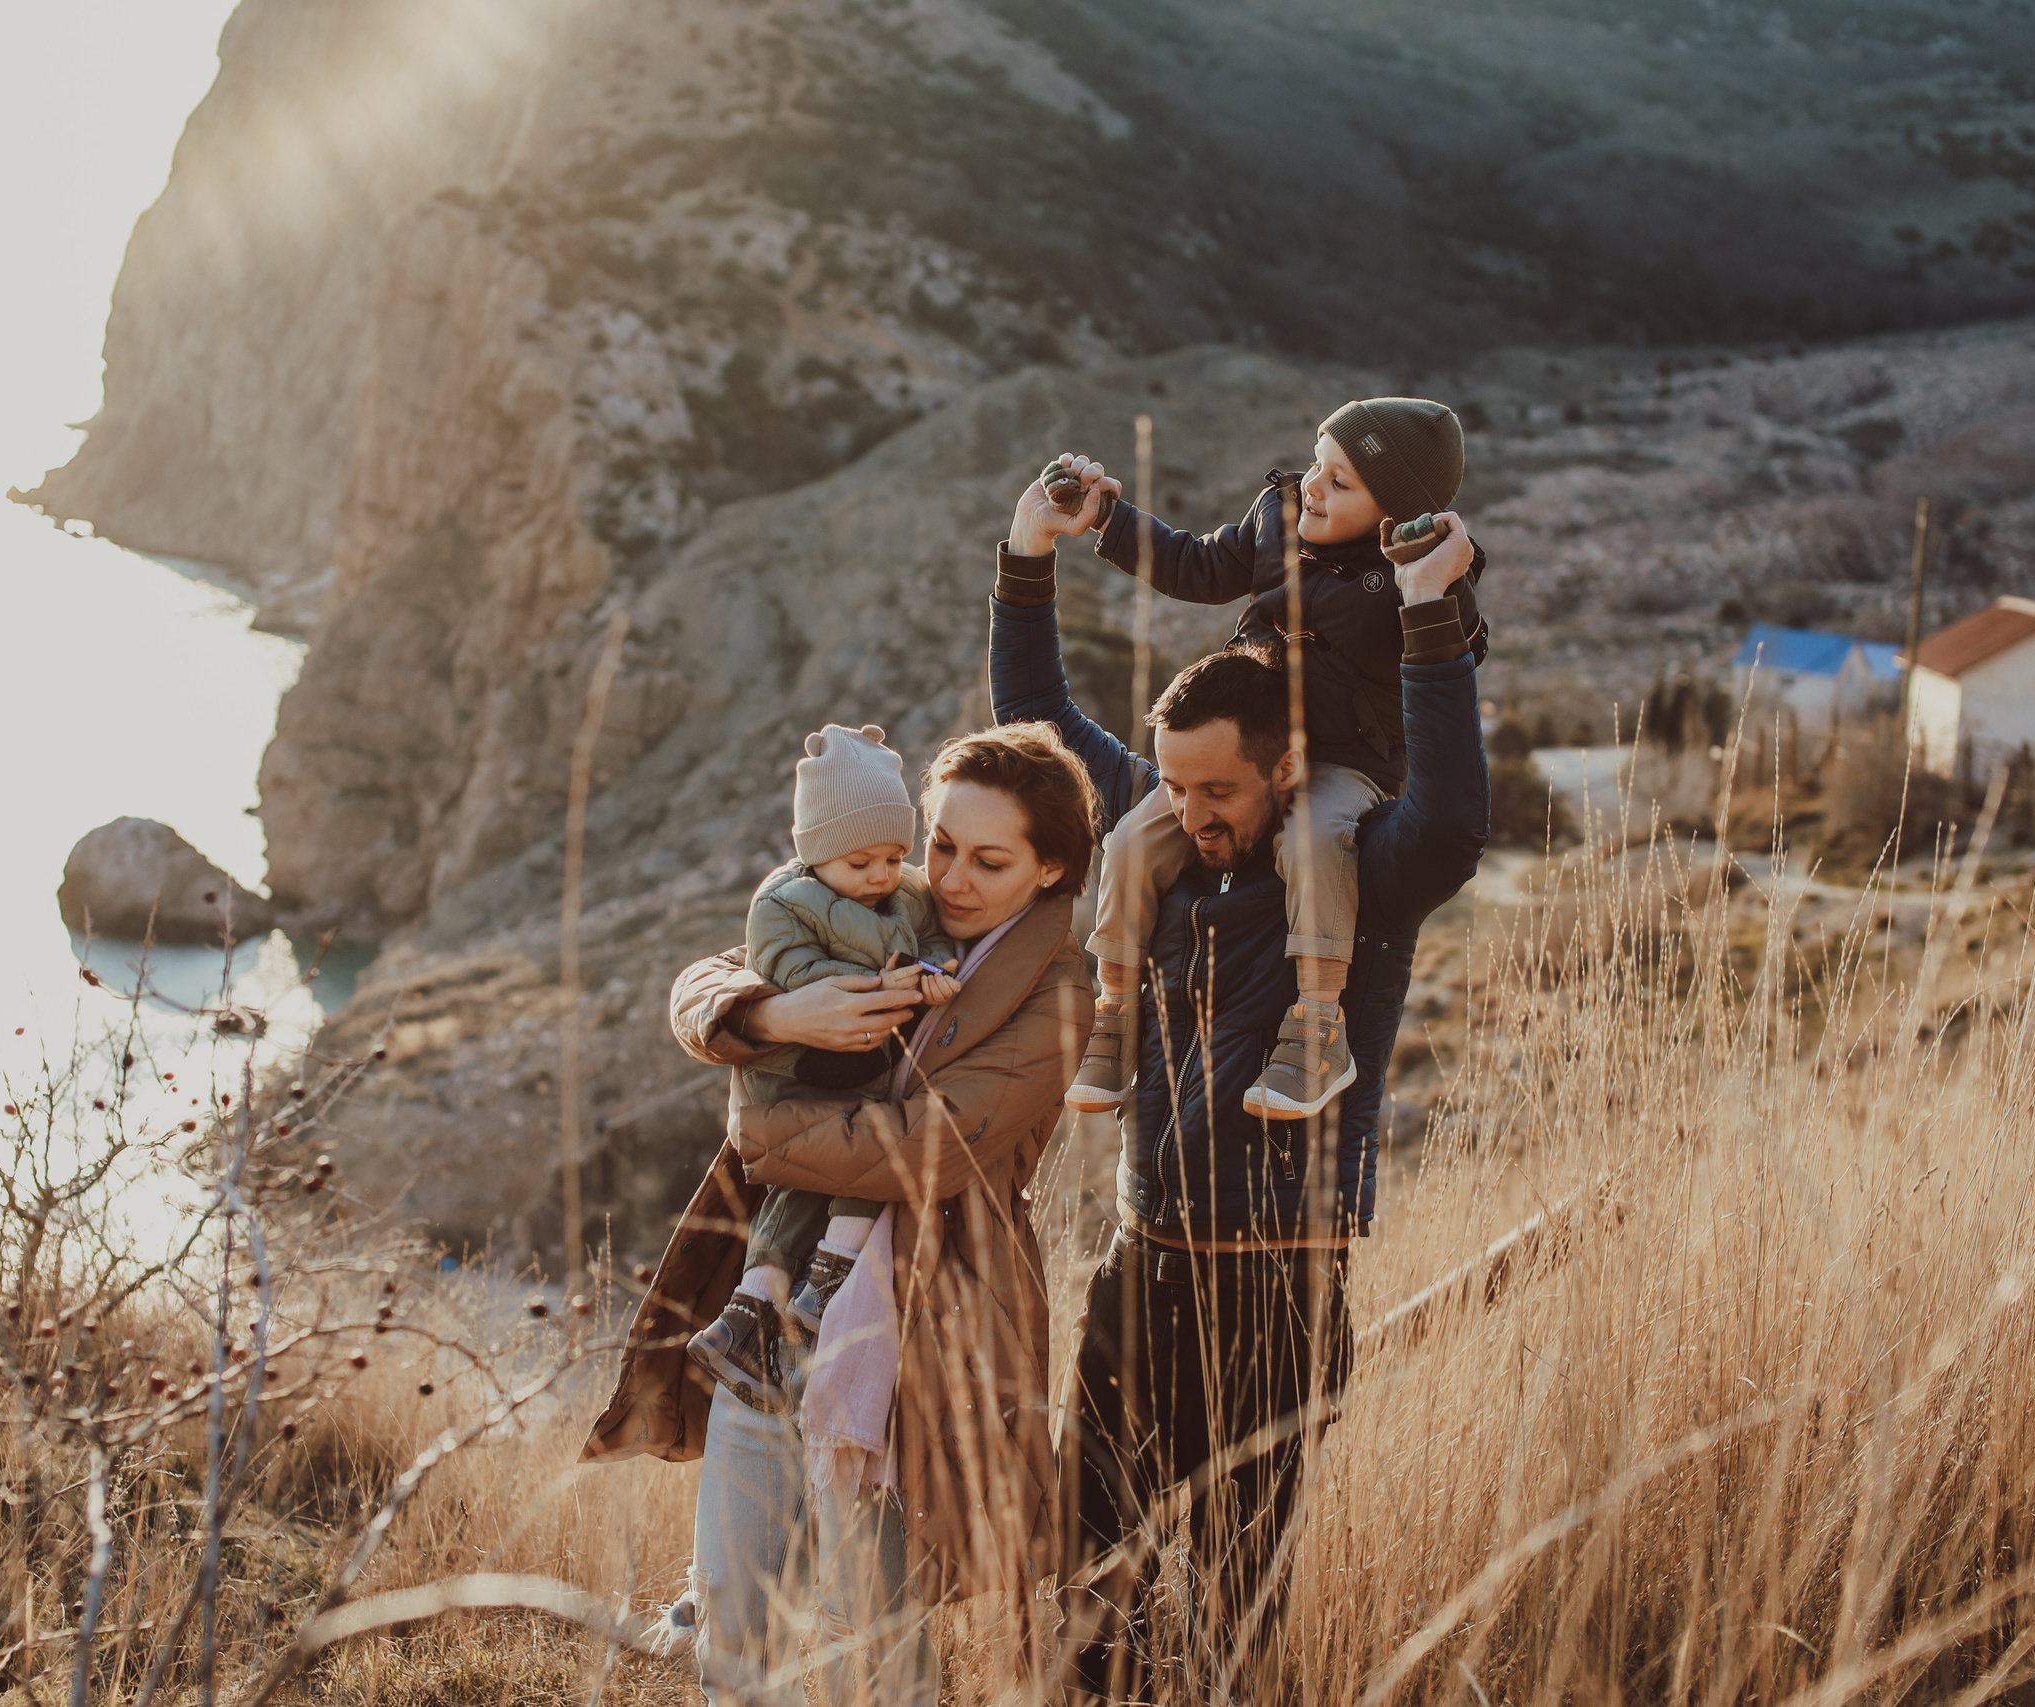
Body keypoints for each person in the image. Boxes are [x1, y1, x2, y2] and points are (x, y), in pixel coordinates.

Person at [989, 466, 1489, 1702]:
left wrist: (1429, 612)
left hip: (1274, 1292)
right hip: (1137, 1270)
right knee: (1081, 1596)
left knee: (1221, 1617)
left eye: (1219, 790)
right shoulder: (1159, 831)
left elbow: (1457, 813)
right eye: (1175, 784)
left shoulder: (1367, 870)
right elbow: (1037, 713)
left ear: (1285, 769)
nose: (1191, 809)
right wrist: (1028, 555)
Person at [581, 725, 1096, 1707]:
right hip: (767, 1307)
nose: (950, 876)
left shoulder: (1061, 992)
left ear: (1052, 866)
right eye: (940, 843)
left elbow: (921, 1149)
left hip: (915, 1341)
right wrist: (771, 1019)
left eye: (990, 861)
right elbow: (706, 981)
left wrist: (765, 1131)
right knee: (732, 1590)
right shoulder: (884, 902)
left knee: (872, 1622)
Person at [1042, 398, 1490, 1123]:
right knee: (1129, 840)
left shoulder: (1406, 573)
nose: (1312, 484)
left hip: (1344, 760)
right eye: (1318, 462)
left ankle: (1318, 1025)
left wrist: (1430, 585)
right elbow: (1196, 563)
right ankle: (1117, 1006)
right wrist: (1106, 518)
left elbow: (1457, 647)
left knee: (1316, 843)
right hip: (1245, 742)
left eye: (1341, 482)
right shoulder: (1276, 519)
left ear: (1395, 513)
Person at [684, 722, 961, 1415]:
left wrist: (933, 970)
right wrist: (872, 981)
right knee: (819, 1162)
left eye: (895, 855)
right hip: (799, 1068)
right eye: (860, 860)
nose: (881, 874)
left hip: (866, 1061)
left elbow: (931, 939)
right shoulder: (783, 903)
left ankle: (778, 1306)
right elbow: (790, 971)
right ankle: (774, 1301)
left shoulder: (909, 892)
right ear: (816, 853)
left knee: (852, 1151)